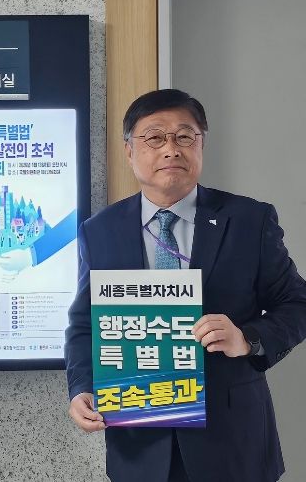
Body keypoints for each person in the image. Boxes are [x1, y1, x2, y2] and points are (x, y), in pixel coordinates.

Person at [65, 89, 306, 482]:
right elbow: (83, 325)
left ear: (201, 145)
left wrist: (247, 338)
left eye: (184, 136)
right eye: (154, 137)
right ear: (129, 151)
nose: (171, 149)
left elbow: (297, 303)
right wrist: (81, 388)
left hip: (232, 443)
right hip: (139, 445)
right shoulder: (100, 231)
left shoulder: (249, 220)